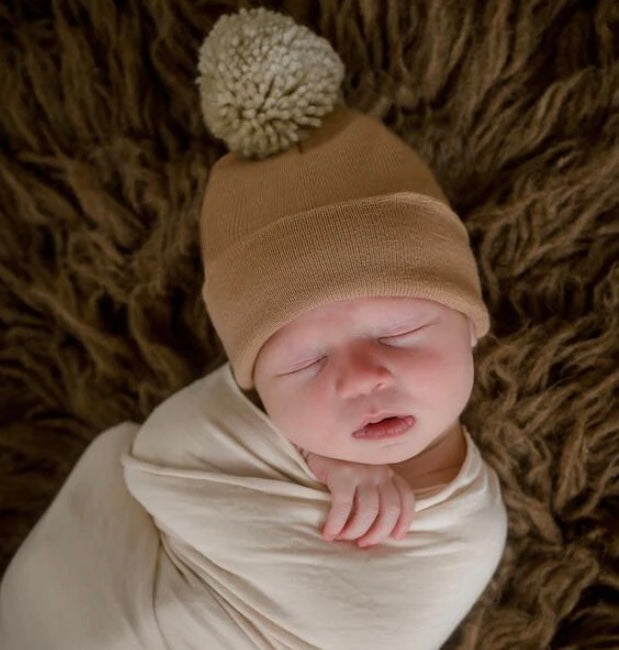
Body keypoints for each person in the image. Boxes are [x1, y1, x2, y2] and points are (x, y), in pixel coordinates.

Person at [0, 7, 507, 649]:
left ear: (469, 326)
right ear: (255, 391)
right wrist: (317, 461)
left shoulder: (471, 529)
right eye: (303, 363)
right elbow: (160, 456)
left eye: (400, 332)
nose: (361, 378)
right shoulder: (245, 443)